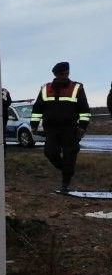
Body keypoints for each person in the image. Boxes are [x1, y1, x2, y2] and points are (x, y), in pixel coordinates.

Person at [30, 61, 91, 193]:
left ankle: (65, 183)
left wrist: (82, 127)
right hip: (51, 129)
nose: (65, 76)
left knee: (70, 154)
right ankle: (66, 170)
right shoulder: (45, 89)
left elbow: (85, 111)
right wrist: (33, 125)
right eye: (62, 74)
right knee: (50, 152)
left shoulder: (77, 88)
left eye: (67, 73)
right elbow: (36, 109)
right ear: (56, 75)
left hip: (70, 129)